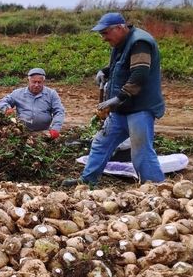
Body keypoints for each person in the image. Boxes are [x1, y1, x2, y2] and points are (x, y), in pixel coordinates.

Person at [63, 12, 165, 187]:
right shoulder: (121, 42)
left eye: (105, 33)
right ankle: (87, 181)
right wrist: (105, 71)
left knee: (141, 151)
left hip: (139, 108)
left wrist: (117, 99)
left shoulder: (140, 43)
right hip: (122, 109)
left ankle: (155, 187)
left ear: (119, 28)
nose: (103, 38)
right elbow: (120, 65)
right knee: (101, 143)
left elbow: (139, 75)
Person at [0, 68, 65, 139]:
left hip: (44, 132)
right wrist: (7, 108)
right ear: (28, 81)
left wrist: (55, 129)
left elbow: (59, 111)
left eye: (39, 82)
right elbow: (1, 102)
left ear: (43, 82)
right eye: (34, 82)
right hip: (22, 132)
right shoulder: (18, 93)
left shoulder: (51, 94)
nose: (36, 85)